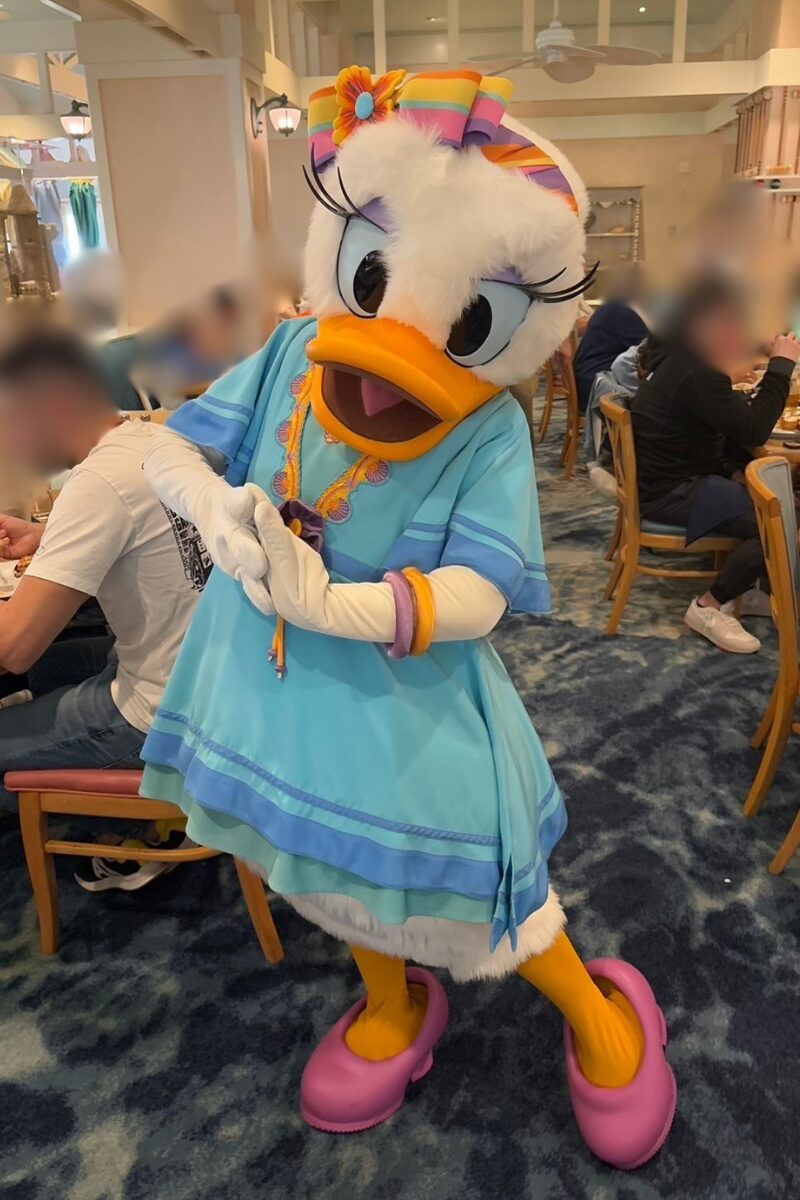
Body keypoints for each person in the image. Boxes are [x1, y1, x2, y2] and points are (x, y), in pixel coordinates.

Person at [137, 66, 676, 1170]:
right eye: (377, 276)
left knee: (472, 902)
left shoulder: (485, 429)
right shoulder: (289, 353)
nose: (403, 340)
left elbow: (481, 592)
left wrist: (332, 601)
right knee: (321, 872)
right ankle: (389, 1000)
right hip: (272, 686)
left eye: (467, 312)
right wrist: (216, 514)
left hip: (401, 703)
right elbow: (168, 443)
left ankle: (593, 1008)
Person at [0, 329, 202, 889]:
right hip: (210, 683)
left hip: (162, 716)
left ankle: (142, 822)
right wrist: (44, 535)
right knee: (54, 667)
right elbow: (132, 525)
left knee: (28, 668)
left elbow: (13, 647)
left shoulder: (97, 482)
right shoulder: (150, 440)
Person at [630, 277, 799, 652]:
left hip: (672, 476)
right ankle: (709, 605)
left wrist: (730, 470)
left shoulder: (686, 357)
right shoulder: (698, 368)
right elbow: (754, 430)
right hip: (670, 491)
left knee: (773, 495)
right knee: (778, 517)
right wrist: (782, 365)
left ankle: (749, 587)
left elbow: (701, 436)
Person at [572, 270, 649, 413]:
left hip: (590, 382)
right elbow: (651, 348)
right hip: (597, 391)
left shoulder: (615, 304)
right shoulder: (625, 310)